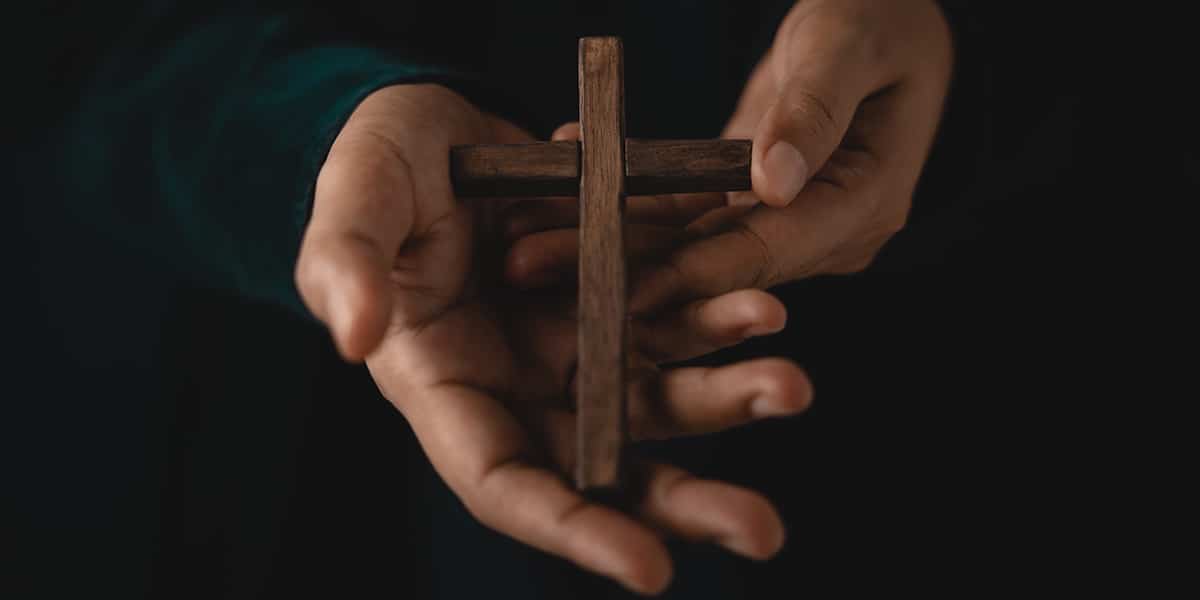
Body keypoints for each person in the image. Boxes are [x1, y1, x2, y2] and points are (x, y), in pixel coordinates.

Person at [11, 1, 956, 597]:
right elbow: (61, 42)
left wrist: (941, 35)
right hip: (248, 413)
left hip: (871, 351)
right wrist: (316, 127)